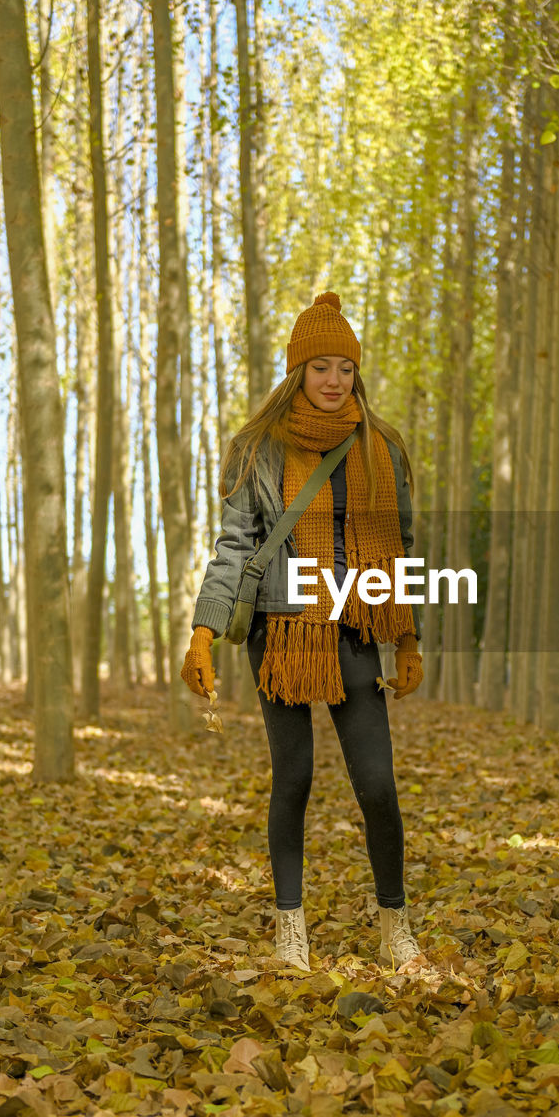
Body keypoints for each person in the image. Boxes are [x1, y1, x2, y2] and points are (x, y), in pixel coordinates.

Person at [181, 291, 425, 974]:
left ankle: (393, 923)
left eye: (343, 368)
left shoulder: (380, 447)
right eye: (319, 367)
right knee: (293, 778)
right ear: (296, 372)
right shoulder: (254, 449)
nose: (333, 381)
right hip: (281, 636)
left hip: (353, 629)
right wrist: (203, 633)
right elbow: (234, 547)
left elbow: (399, 546)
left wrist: (406, 638)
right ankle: (292, 930)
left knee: (376, 783)